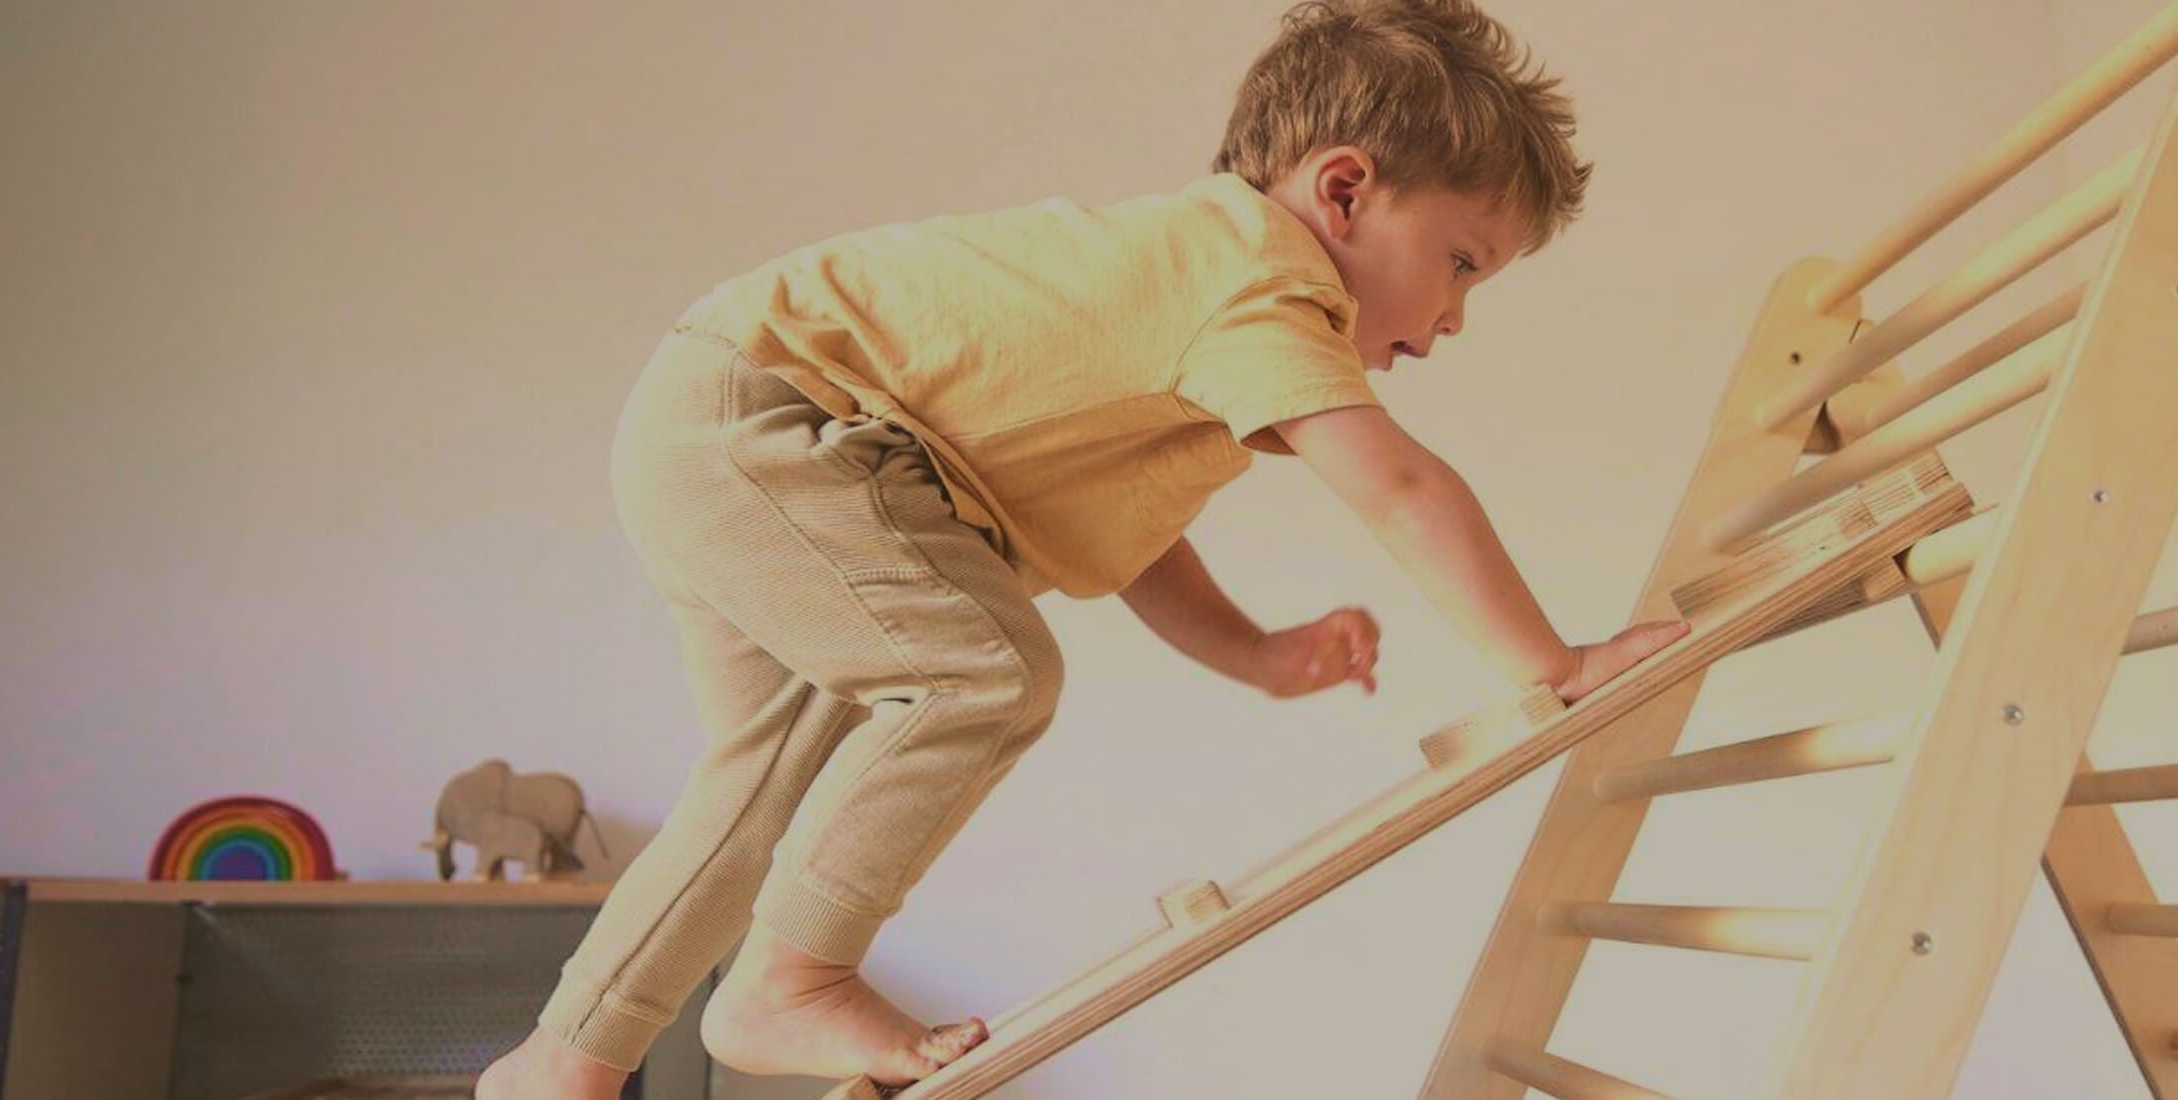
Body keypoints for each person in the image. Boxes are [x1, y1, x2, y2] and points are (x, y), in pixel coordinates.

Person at [479, 1, 1682, 1095]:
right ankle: (785, 981)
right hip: (776, 423)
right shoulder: (1257, 279)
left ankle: (562, 1063)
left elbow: (1141, 544)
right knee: (984, 671)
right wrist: (1555, 659)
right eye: (1461, 262)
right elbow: (1403, 487)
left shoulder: (1192, 306)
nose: (1456, 317)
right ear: (1347, 191)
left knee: (762, 782)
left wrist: (1257, 653)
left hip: (739, 427)